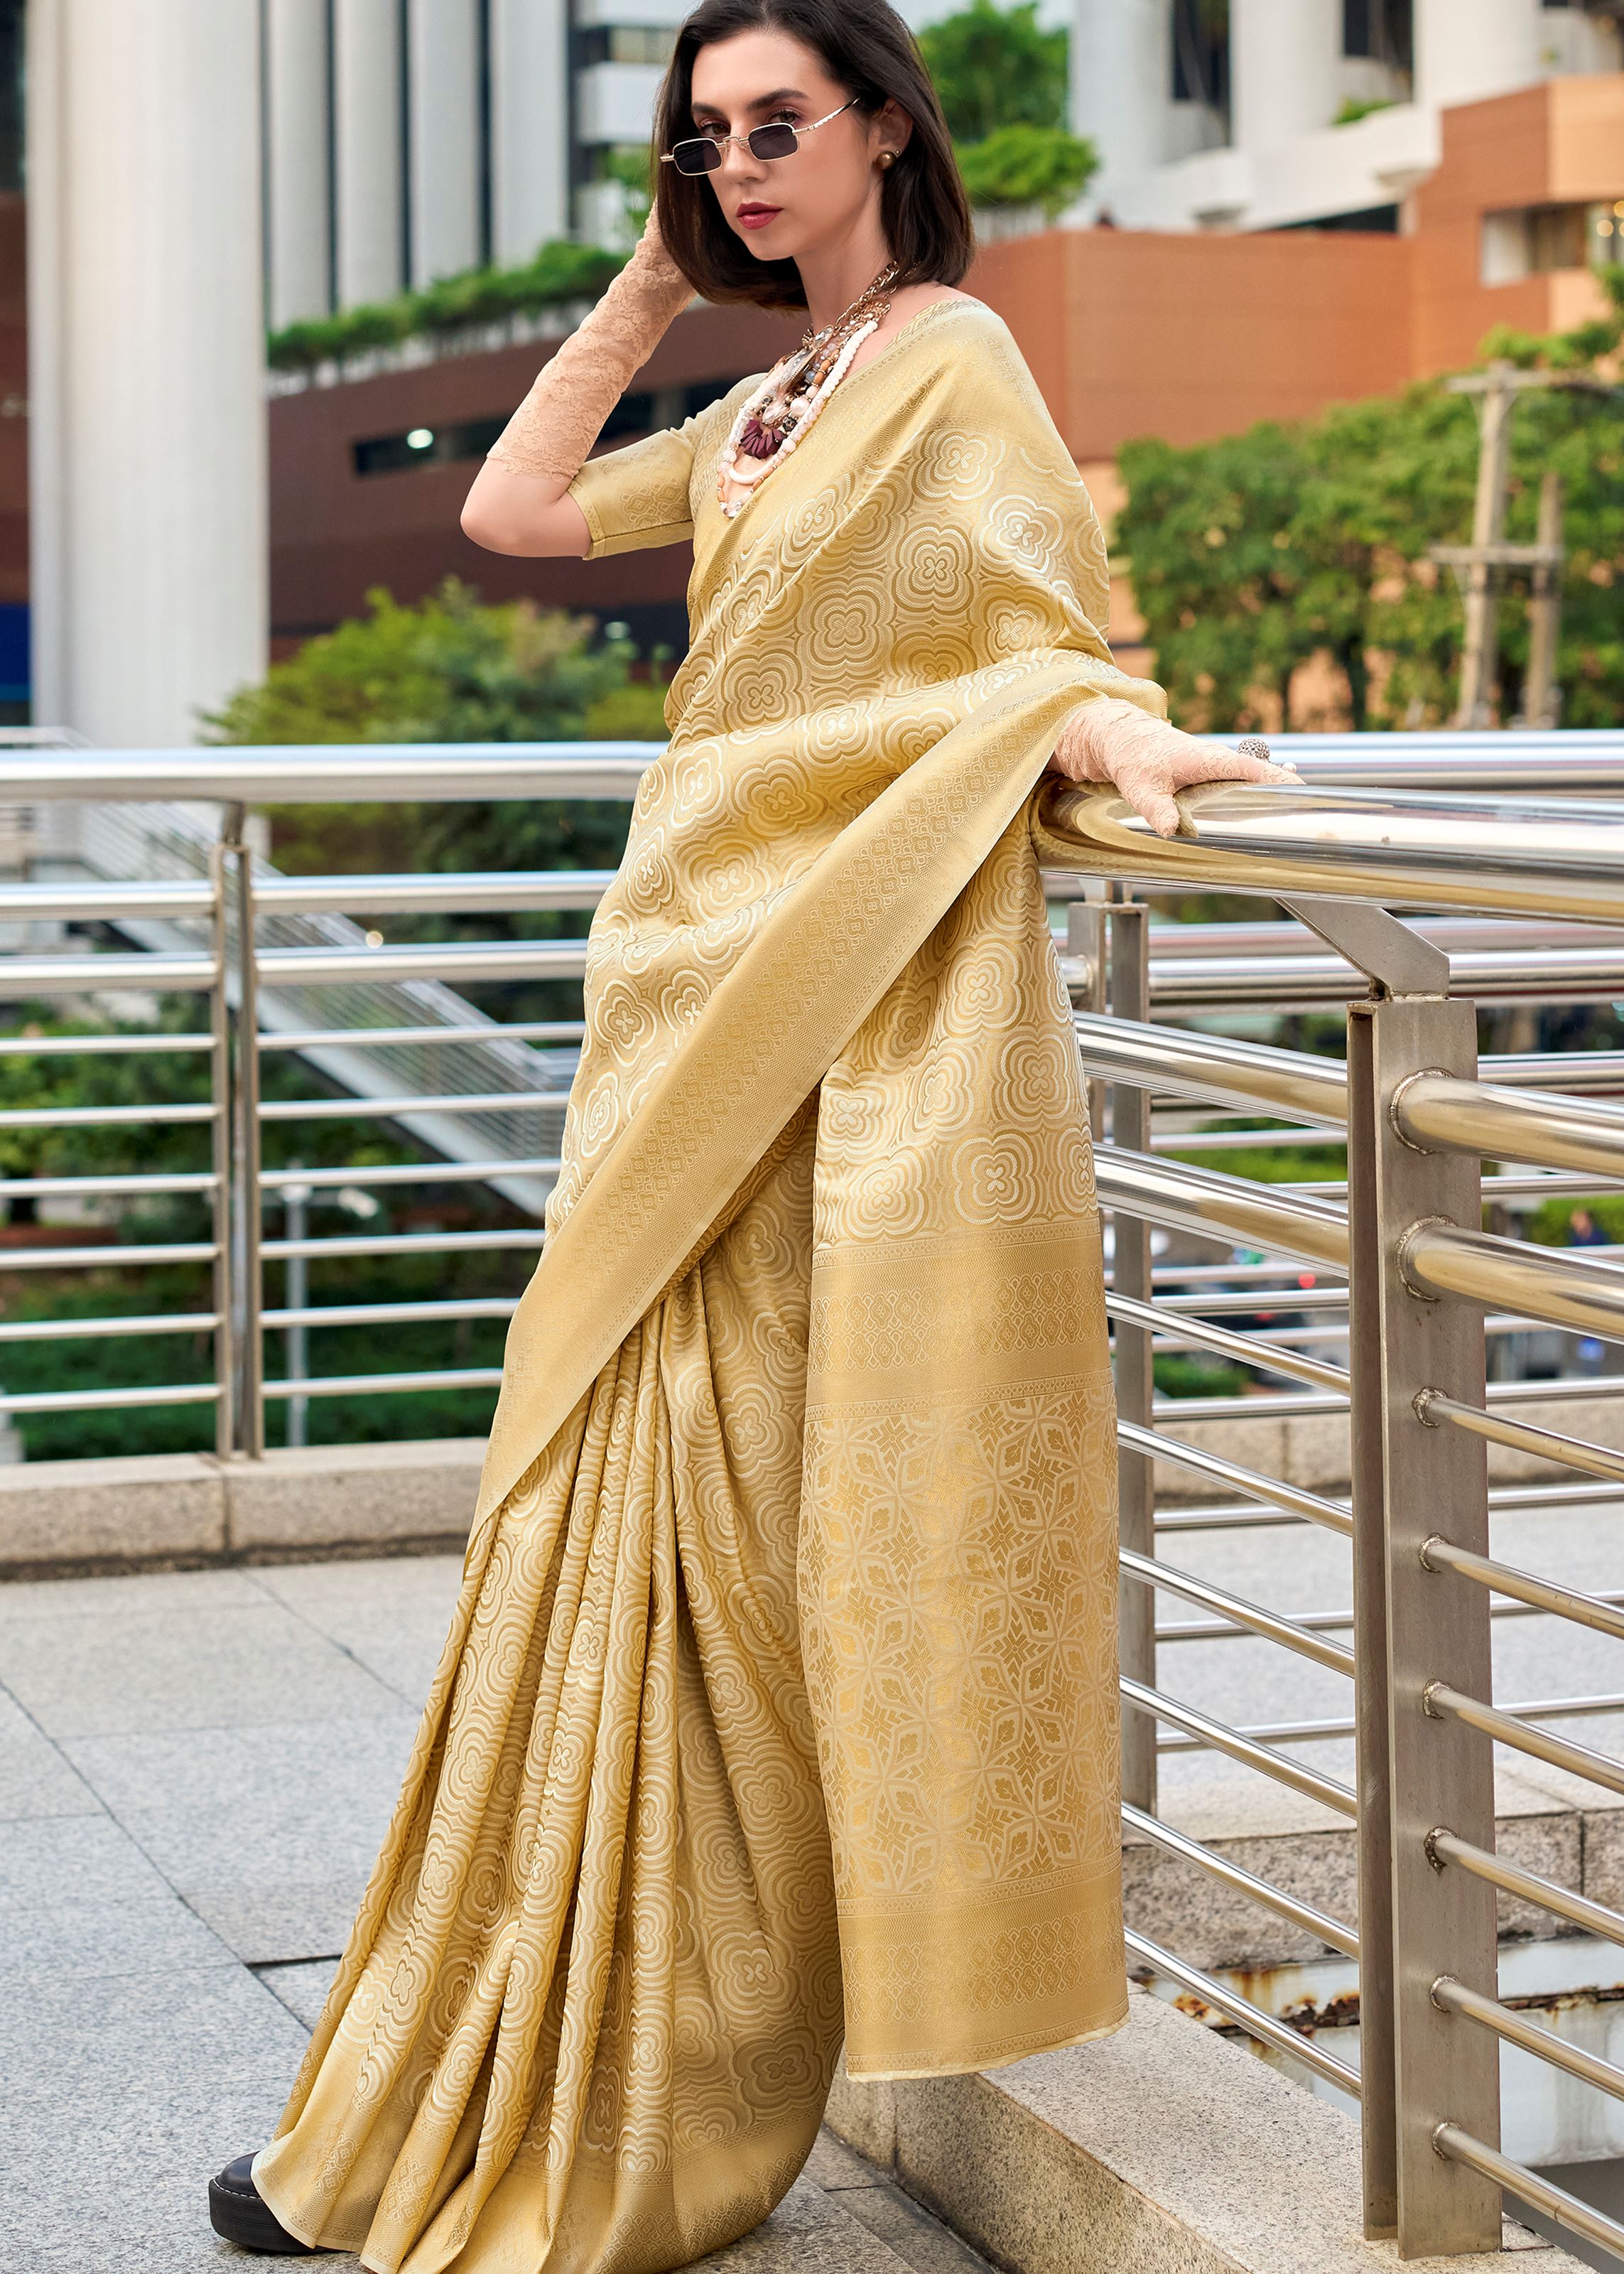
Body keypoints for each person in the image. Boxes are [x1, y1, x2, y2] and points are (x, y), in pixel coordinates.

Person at [207, 2, 1296, 2263]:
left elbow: (1031, 630)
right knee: (586, 1520)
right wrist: (649, 283)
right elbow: (512, 510)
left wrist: (1109, 733)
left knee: (727, 1537)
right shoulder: (761, 404)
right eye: (705, 140)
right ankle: (467, 2071)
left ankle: (658, 2095)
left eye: (777, 123)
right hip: (680, 983)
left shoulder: (953, 361)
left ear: (885, 123)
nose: (742, 164)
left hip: (830, 1003)